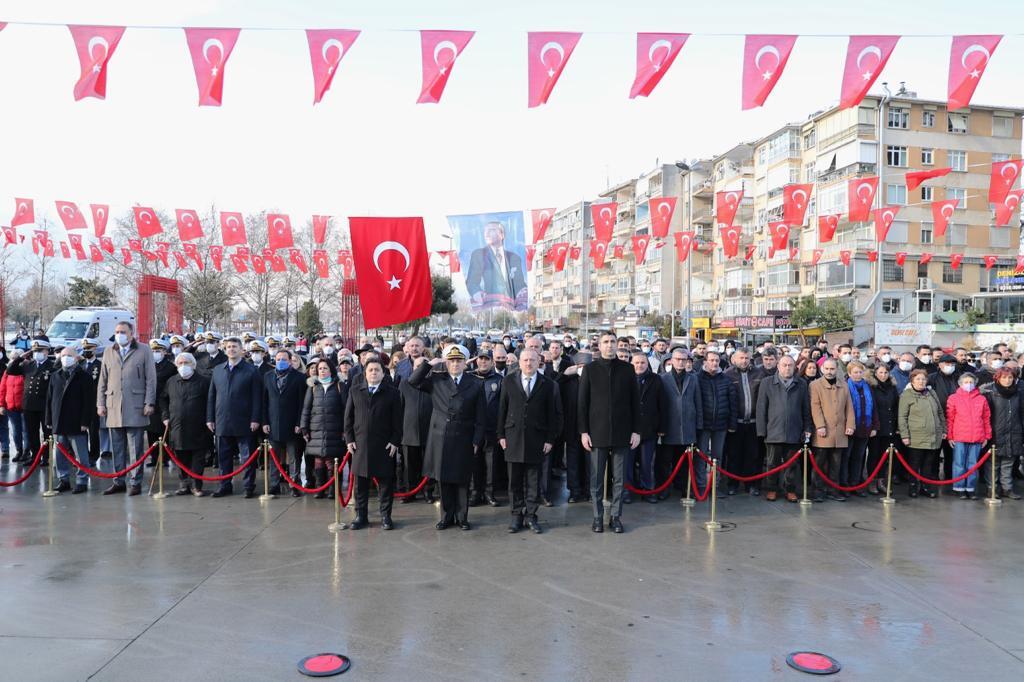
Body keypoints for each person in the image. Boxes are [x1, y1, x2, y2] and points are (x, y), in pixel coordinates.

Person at [409, 345, 486, 531]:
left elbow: (481, 416)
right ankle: (446, 516)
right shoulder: (437, 380)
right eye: (451, 361)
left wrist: (477, 440)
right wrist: (429, 364)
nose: (455, 364)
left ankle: (462, 517)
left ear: (465, 364)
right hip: (441, 436)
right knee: (443, 479)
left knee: (462, 479)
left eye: (459, 361)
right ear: (446, 363)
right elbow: (413, 381)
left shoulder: (475, 383)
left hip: (464, 436)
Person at [579, 331, 641, 534]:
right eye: (606, 342)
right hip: (597, 433)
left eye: (613, 342)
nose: (609, 345)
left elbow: (635, 404)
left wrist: (636, 430)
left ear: (617, 345)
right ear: (599, 345)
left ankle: (616, 516)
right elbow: (582, 404)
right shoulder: (590, 369)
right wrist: (584, 432)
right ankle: (597, 517)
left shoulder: (628, 369)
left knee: (620, 479)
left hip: (623, 433)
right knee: (596, 479)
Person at [497, 348, 562, 533]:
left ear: (539, 362)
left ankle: (531, 516)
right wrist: (501, 435)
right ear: (519, 362)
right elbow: (502, 409)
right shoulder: (508, 381)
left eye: (532, 360)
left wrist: (550, 439)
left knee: (534, 482)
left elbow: (553, 414)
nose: (528, 363)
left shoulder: (548, 384)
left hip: (537, 439)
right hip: (512, 438)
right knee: (514, 482)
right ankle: (516, 515)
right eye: (525, 360)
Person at [344, 358, 403, 529]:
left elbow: (398, 422)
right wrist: (349, 440)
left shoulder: (392, 393)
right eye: (370, 370)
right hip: (360, 445)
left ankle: (386, 516)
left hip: (384, 446)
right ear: (365, 373)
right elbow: (348, 419)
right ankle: (360, 516)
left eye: (377, 370)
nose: (374, 373)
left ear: (383, 373)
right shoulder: (355, 391)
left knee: (385, 485)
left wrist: (394, 441)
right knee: (360, 485)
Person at [97, 322, 156, 495]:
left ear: (131, 333)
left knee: (135, 448)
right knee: (117, 448)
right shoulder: (109, 351)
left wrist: (149, 402)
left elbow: (151, 379)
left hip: (136, 406)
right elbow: (103, 379)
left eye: (123, 332)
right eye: (117, 332)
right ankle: (119, 480)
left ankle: (135, 481)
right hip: (113, 406)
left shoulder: (144, 350)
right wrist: (100, 403)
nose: (119, 334)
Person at [206, 336, 262, 498]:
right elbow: (212, 396)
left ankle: (248, 486)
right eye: (229, 347)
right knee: (223, 457)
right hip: (222, 421)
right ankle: (225, 485)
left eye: (235, 347)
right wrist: (210, 418)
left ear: (242, 350)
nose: (231, 349)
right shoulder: (218, 370)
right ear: (225, 349)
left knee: (247, 457)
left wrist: (255, 419)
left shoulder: (251, 371)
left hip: (244, 421)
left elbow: (257, 397)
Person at [757, 356, 813, 502]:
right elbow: (761, 408)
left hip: (794, 431)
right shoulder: (767, 383)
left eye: (790, 365)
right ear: (778, 366)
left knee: (792, 464)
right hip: (773, 431)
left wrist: (807, 427)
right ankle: (771, 489)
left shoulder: (801, 384)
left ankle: (790, 490)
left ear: (795, 367)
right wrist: (762, 431)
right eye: (784, 365)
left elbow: (806, 408)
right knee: (772, 463)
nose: (787, 368)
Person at [161, 352, 211, 496]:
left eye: (186, 363)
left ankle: (196, 485)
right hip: (177, 427)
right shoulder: (171, 381)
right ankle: (184, 484)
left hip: (198, 427)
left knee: (197, 458)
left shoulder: (204, 381)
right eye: (180, 363)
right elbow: (163, 399)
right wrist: (165, 416)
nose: (183, 366)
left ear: (193, 365)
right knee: (180, 457)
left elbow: (210, 402)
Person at [45, 345, 93, 494]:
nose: (65, 358)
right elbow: (49, 399)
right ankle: (63, 479)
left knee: (81, 455)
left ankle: (82, 481)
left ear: (76, 358)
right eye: (63, 355)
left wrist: (85, 422)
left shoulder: (84, 376)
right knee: (59, 454)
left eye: (69, 355)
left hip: (77, 422)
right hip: (59, 421)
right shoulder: (56, 375)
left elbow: (89, 402)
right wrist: (49, 419)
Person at [262, 349, 308, 497]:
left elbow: (302, 404)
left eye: (284, 359)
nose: (281, 362)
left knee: (294, 457)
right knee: (274, 458)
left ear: (289, 361)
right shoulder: (268, 376)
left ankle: (294, 484)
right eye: (278, 359)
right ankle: (274, 484)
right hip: (273, 424)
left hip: (292, 425)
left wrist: (299, 423)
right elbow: (264, 401)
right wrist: (265, 422)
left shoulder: (300, 378)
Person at [658, 347, 702, 501]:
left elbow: (698, 403)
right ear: (671, 360)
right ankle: (664, 488)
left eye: (684, 359)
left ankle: (684, 487)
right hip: (669, 427)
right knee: (665, 461)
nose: (681, 362)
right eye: (678, 359)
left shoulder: (694, 378)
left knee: (685, 462)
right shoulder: (663, 379)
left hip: (688, 427)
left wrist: (699, 425)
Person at [301, 359, 349, 499]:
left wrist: (346, 429)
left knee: (332, 460)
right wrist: (304, 428)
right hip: (316, 429)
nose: (322, 371)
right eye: (320, 368)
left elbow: (346, 409)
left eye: (325, 368)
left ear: (331, 370)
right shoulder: (313, 387)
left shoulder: (340, 386)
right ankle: (320, 488)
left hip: (335, 428)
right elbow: (306, 409)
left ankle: (333, 489)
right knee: (319, 460)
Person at [809, 359, 855, 502]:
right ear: (822, 369)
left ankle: (833, 490)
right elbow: (815, 408)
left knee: (836, 463)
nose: (829, 371)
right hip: (823, 431)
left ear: (836, 370)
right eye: (827, 368)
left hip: (840, 431)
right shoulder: (815, 385)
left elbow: (849, 407)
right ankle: (817, 491)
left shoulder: (844, 386)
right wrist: (820, 426)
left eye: (832, 369)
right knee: (820, 464)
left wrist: (850, 425)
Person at [898, 370, 946, 498]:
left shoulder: (931, 393)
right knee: (915, 463)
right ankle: (913, 487)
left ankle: (926, 487)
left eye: (923, 379)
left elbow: (940, 412)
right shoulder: (907, 395)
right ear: (912, 380)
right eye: (918, 379)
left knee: (928, 464)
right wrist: (905, 435)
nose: (921, 382)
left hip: (933, 435)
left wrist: (944, 429)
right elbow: (902, 417)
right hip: (916, 436)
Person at [724, 349, 764, 495]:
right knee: (734, 454)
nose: (744, 361)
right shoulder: (727, 375)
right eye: (741, 358)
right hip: (736, 423)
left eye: (747, 358)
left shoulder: (758, 373)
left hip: (753, 423)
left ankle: (750, 485)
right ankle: (732, 484)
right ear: (734, 359)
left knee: (752, 455)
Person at [696, 350, 736, 497]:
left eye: (717, 361)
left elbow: (732, 403)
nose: (714, 363)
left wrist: (732, 424)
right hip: (703, 425)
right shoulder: (697, 378)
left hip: (721, 425)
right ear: (705, 362)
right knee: (700, 457)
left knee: (716, 457)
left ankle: (715, 485)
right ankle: (701, 486)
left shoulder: (725, 380)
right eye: (711, 360)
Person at [945, 372, 991, 500]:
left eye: (971, 382)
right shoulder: (953, 398)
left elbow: (986, 418)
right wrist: (950, 436)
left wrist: (987, 436)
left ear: (975, 383)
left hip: (977, 436)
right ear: (960, 384)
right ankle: (959, 488)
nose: (969, 384)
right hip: (959, 436)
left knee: (973, 464)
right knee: (959, 463)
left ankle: (970, 488)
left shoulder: (981, 399)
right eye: (966, 382)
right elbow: (950, 419)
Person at [464, 221, 529, 310]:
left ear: (502, 235)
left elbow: (519, 283)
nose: (487, 233)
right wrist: (477, 294)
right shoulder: (479, 255)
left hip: (510, 308)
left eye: (492, 230)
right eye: (485, 231)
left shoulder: (514, 258)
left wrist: (522, 291)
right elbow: (472, 282)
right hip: (489, 307)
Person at [981, 368, 1023, 500]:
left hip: (1014, 432)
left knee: (1008, 462)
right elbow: (985, 415)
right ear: (998, 378)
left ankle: (1007, 488)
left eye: (1010, 377)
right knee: (993, 463)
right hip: (995, 433)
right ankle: (991, 488)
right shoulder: (989, 392)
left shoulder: (1019, 393)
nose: (1007, 380)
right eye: (1004, 377)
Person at [398, 355, 436, 504]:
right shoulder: (404, 384)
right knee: (409, 465)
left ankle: (428, 491)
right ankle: (410, 492)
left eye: (424, 365)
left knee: (428, 464)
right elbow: (399, 408)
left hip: (429, 432)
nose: (421, 368)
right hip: (409, 432)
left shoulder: (434, 384)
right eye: (418, 365)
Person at [627, 352, 662, 504]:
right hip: (628, 430)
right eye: (636, 363)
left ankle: (647, 490)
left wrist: (660, 427)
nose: (639, 365)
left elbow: (662, 404)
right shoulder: (625, 379)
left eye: (642, 362)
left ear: (647, 364)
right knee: (627, 464)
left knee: (647, 463)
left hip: (649, 429)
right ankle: (627, 492)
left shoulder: (655, 379)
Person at [471, 350, 504, 507]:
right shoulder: (469, 377)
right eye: (481, 359)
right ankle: (475, 493)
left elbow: (504, 406)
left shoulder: (499, 380)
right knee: (474, 463)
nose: (483, 362)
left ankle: (489, 493)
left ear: (492, 362)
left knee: (491, 464)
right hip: (473, 429)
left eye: (487, 359)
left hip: (492, 429)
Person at [558, 351, 591, 503]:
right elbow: (553, 385)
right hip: (571, 427)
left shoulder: (594, 381)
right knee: (573, 461)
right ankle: (575, 491)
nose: (582, 369)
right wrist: (564, 374)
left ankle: (590, 490)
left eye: (585, 366)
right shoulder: (567, 382)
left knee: (590, 462)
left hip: (591, 429)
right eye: (579, 366)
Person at [845, 361, 879, 496]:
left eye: (860, 372)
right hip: (850, 428)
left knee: (859, 458)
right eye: (855, 372)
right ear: (849, 373)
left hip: (865, 428)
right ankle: (845, 484)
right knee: (847, 457)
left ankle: (856, 484)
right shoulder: (845, 386)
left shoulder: (867, 387)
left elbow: (874, 407)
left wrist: (875, 426)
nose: (858, 375)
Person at [866, 363, 900, 496]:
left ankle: (881, 481)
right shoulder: (872, 387)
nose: (883, 375)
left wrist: (896, 426)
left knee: (884, 456)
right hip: (876, 427)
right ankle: (872, 481)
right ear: (875, 373)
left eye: (886, 373)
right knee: (873, 455)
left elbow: (896, 406)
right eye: (880, 372)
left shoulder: (892, 388)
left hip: (889, 426)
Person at [21, 339, 54, 467]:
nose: (37, 353)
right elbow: (11, 369)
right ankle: (35, 456)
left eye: (39, 351)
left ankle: (46, 457)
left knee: (47, 433)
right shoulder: (29, 364)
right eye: (35, 351)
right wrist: (23, 356)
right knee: (32, 432)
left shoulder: (51, 366)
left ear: (46, 351)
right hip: (29, 404)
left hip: (44, 405)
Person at [147, 338, 177, 465]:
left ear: (164, 351)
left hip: (164, 403)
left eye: (158, 350)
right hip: (151, 402)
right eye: (153, 350)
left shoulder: (170, 367)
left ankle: (164, 458)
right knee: (151, 432)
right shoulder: (148, 365)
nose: (155, 353)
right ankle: (154, 458)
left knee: (163, 432)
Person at [0, 348, 27, 463]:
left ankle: (27, 452)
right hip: (11, 406)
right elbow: (2, 388)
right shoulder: (8, 371)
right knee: (16, 431)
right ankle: (19, 450)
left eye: (16, 358)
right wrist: (2, 405)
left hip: (24, 407)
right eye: (12, 358)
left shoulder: (26, 370)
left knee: (26, 431)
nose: (13, 360)